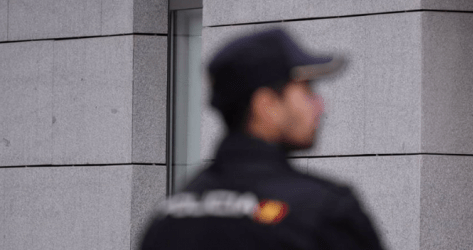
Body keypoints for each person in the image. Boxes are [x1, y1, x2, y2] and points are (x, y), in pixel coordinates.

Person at [140, 27, 385, 250]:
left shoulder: (169, 216)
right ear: (266, 105)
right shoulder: (323, 211)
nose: (321, 106)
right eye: (307, 90)